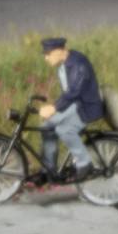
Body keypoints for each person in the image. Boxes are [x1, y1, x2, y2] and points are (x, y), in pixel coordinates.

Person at [31, 35, 104, 181]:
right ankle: (48, 170)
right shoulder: (63, 65)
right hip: (74, 105)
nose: (46, 58)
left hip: (86, 107)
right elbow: (68, 93)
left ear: (59, 51)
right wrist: (55, 108)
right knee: (46, 126)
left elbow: (74, 91)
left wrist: (54, 108)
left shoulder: (78, 64)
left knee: (64, 130)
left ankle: (85, 164)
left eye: (48, 54)